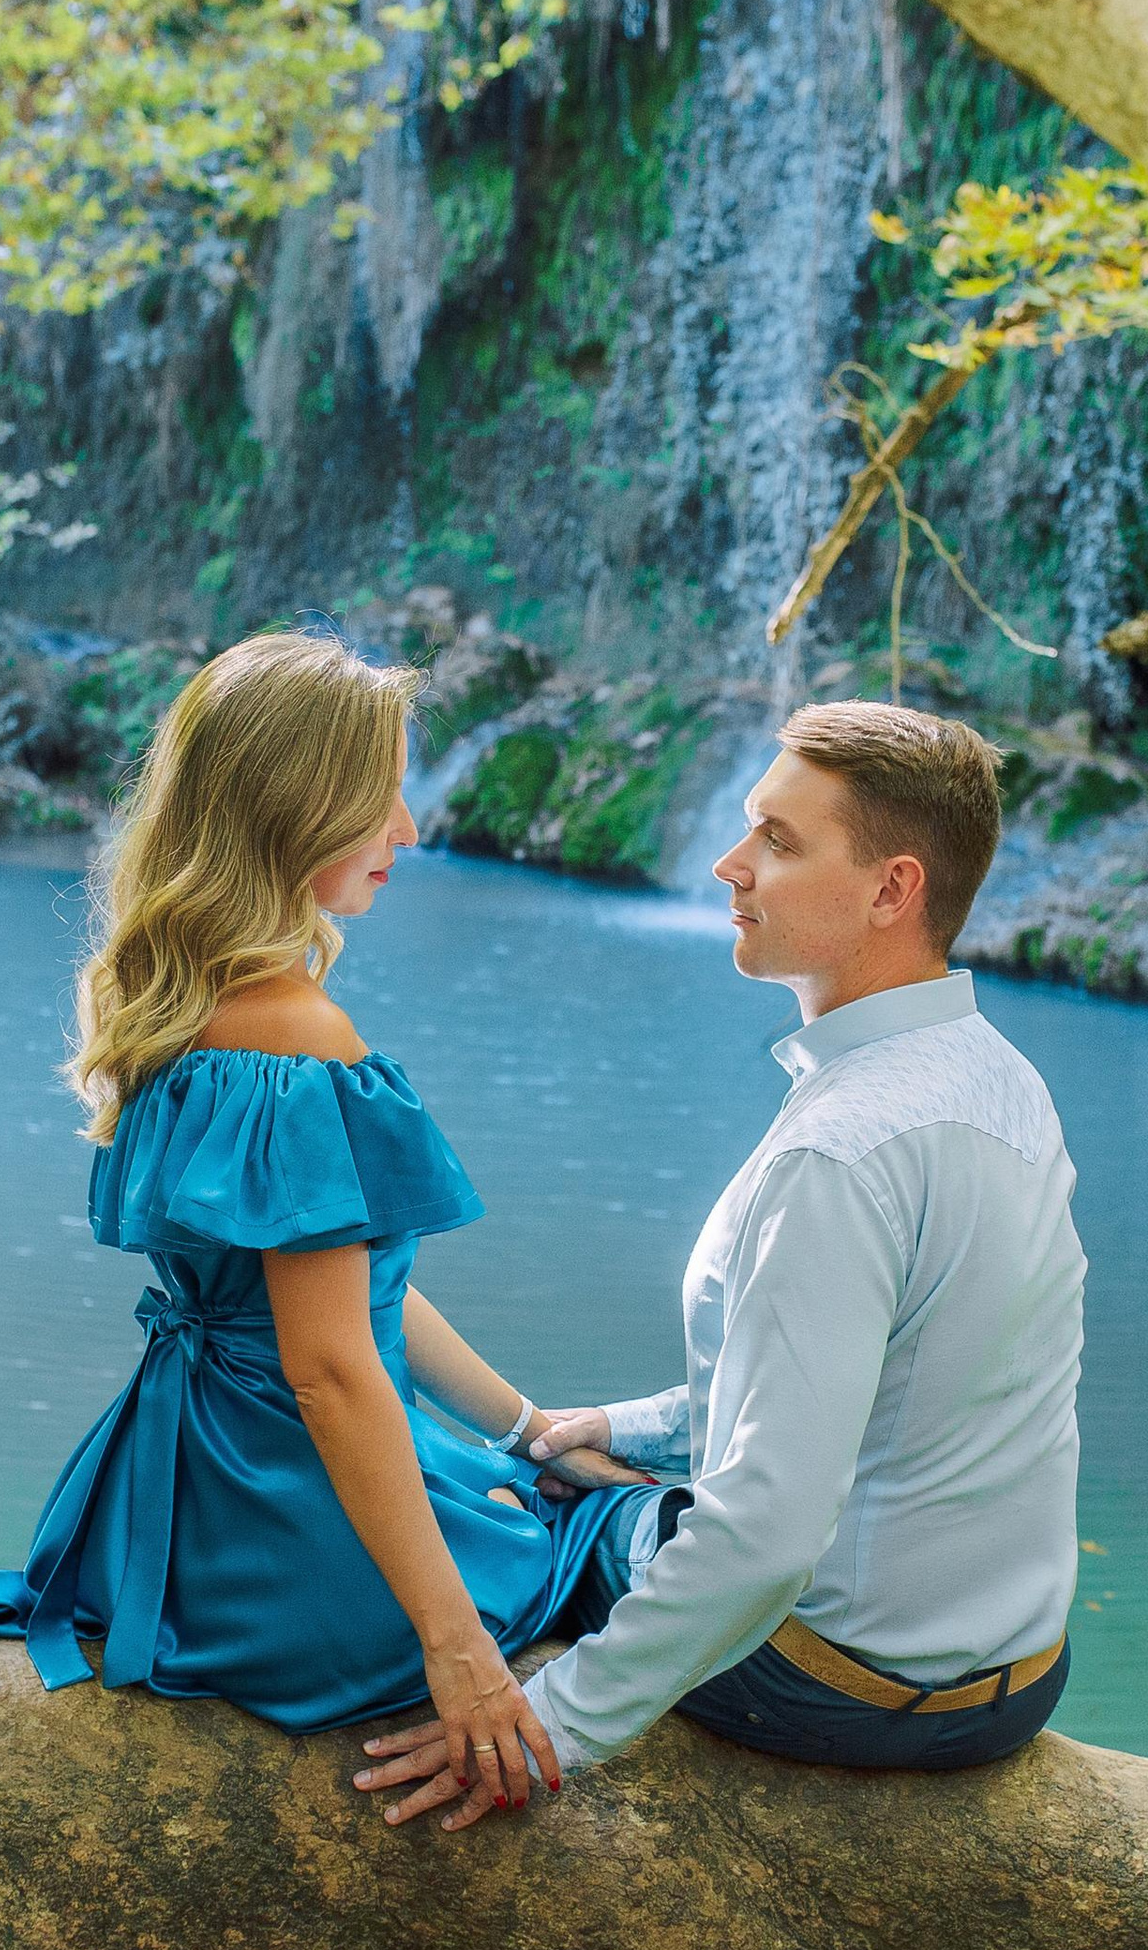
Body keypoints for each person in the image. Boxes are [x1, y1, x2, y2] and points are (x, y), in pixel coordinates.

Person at [0, 629, 645, 1825]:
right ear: (297, 805)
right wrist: (454, 1650)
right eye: (380, 794)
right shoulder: (296, 1037)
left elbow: (346, 1296)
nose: (409, 828)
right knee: (610, 1531)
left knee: (537, 1479)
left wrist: (531, 1425)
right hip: (291, 1515)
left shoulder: (177, 1003)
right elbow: (333, 1368)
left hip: (187, 1488)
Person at [355, 699, 1085, 1824]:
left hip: (843, 1683)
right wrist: (633, 1428)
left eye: (778, 843)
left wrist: (549, 1725)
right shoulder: (998, 1080)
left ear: (894, 890)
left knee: (505, 1503)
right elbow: (899, 1392)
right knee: (588, 1467)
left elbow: (768, 1529)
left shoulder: (838, 1153)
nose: (728, 863)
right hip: (1014, 1677)